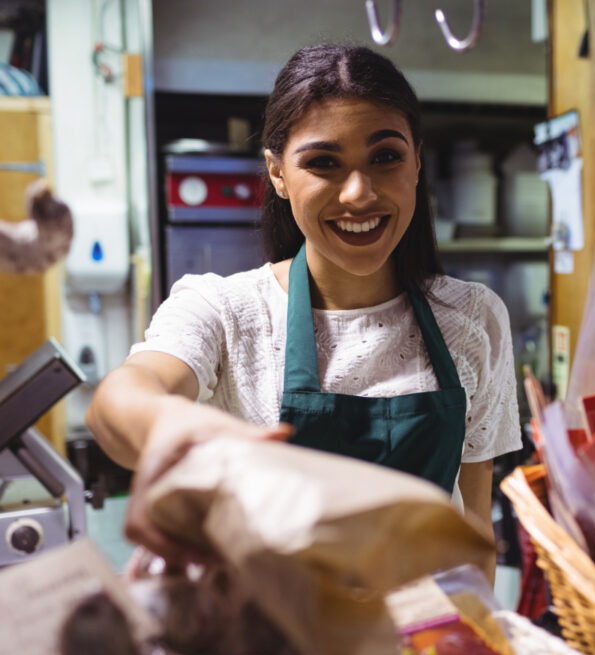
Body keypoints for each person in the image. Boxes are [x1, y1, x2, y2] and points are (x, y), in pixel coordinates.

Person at [86, 45, 522, 576]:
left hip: (420, 641)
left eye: (385, 157)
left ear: (417, 161)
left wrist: (475, 646)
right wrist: (170, 426)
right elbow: (120, 399)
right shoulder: (226, 311)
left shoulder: (474, 318)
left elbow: (473, 530)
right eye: (323, 163)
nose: (359, 193)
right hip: (275, 647)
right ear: (276, 173)